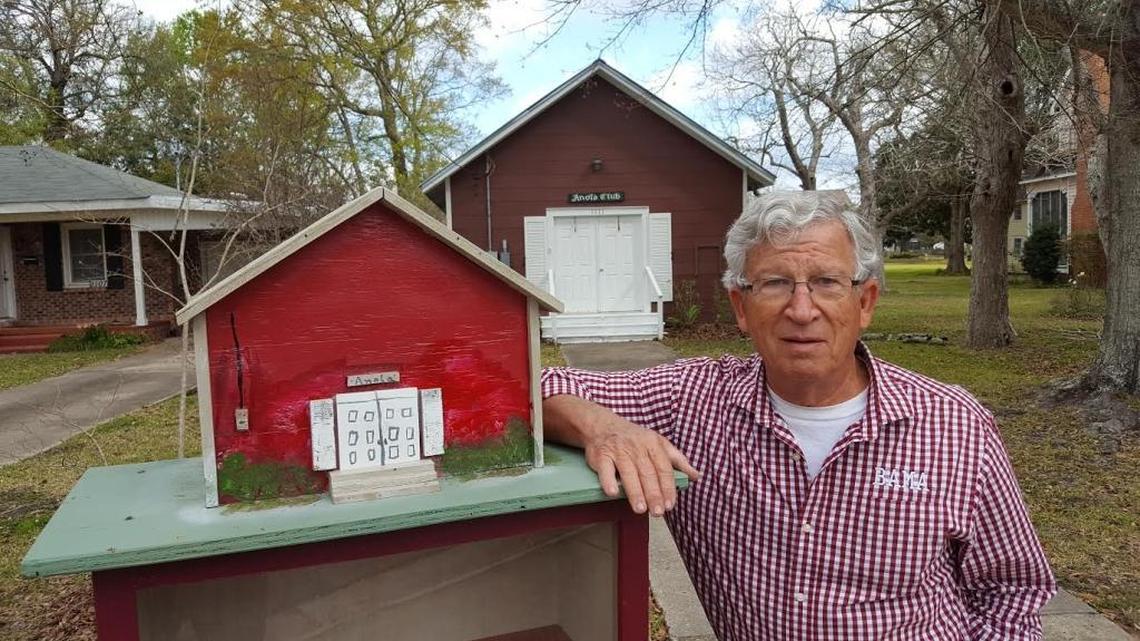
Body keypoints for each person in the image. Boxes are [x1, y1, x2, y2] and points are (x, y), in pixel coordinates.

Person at [541, 191, 1055, 640]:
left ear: (866, 302)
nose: (802, 309)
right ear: (741, 307)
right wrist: (606, 428)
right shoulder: (690, 400)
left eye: (827, 282)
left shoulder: (953, 424)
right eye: (775, 284)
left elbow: (1012, 588)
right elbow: (536, 388)